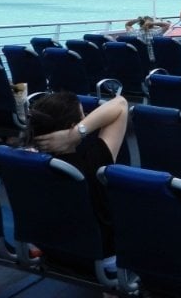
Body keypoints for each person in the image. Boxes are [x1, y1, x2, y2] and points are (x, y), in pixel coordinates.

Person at [27, 91, 129, 254]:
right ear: (71, 126)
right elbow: (121, 104)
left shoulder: (27, 163)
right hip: (99, 257)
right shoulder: (93, 162)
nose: (87, 118)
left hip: (54, 252)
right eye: (84, 116)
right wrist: (75, 134)